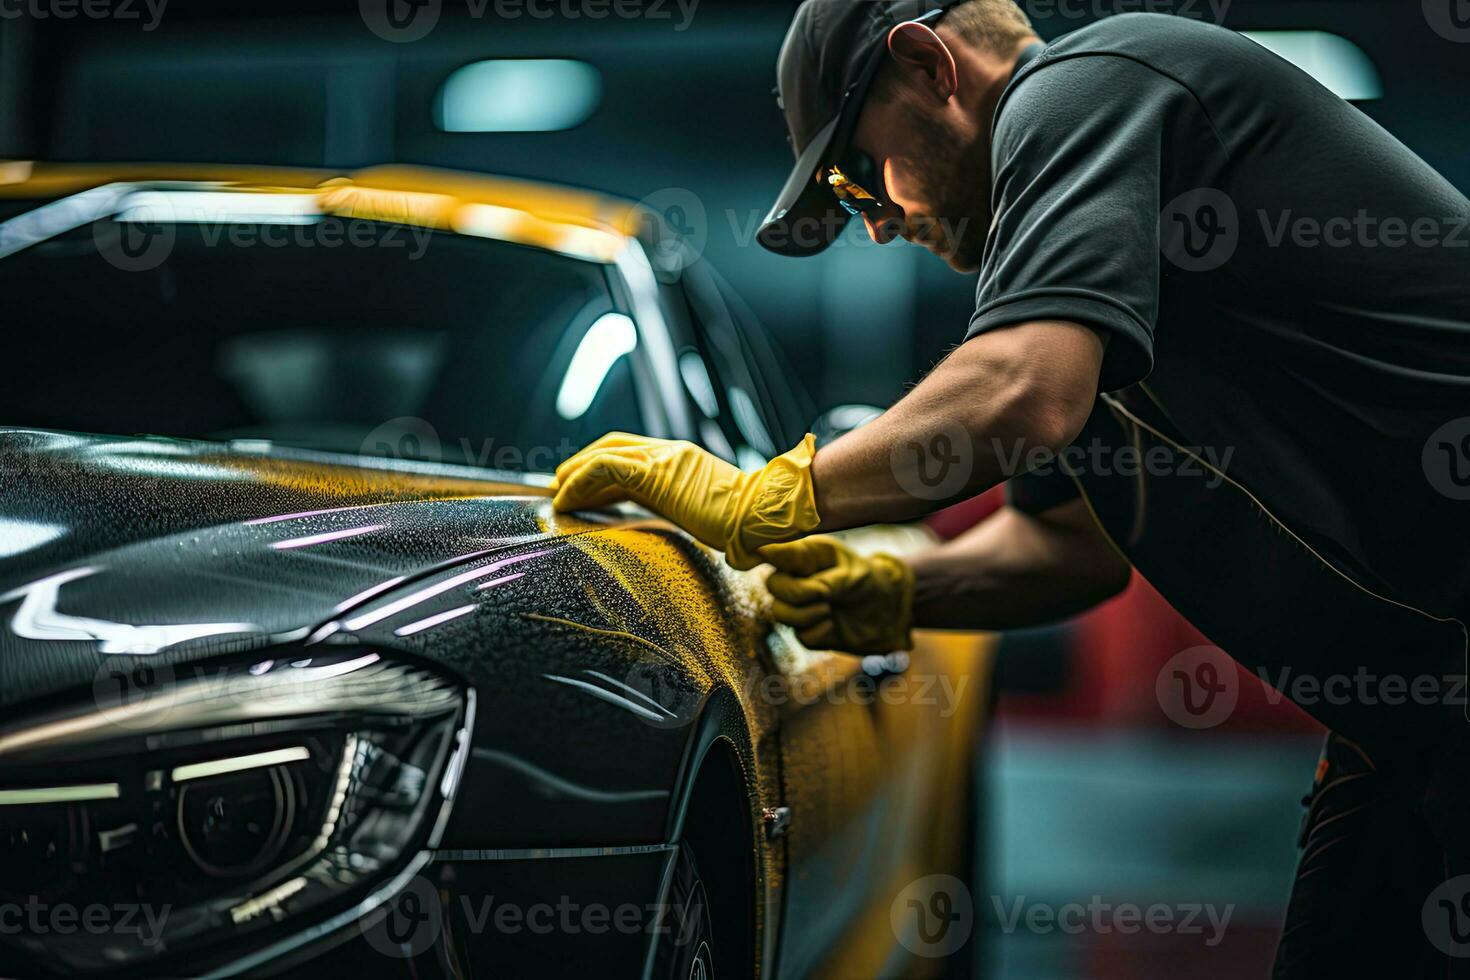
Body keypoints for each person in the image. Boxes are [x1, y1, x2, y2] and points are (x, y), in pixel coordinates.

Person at [549, 2, 1470, 973]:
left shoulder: (1089, 86)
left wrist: (760, 498)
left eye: (857, 176)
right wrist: (900, 593)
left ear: (927, 63)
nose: (878, 222)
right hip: (1414, 715)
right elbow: (1065, 550)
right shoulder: (1098, 290)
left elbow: (1020, 391)